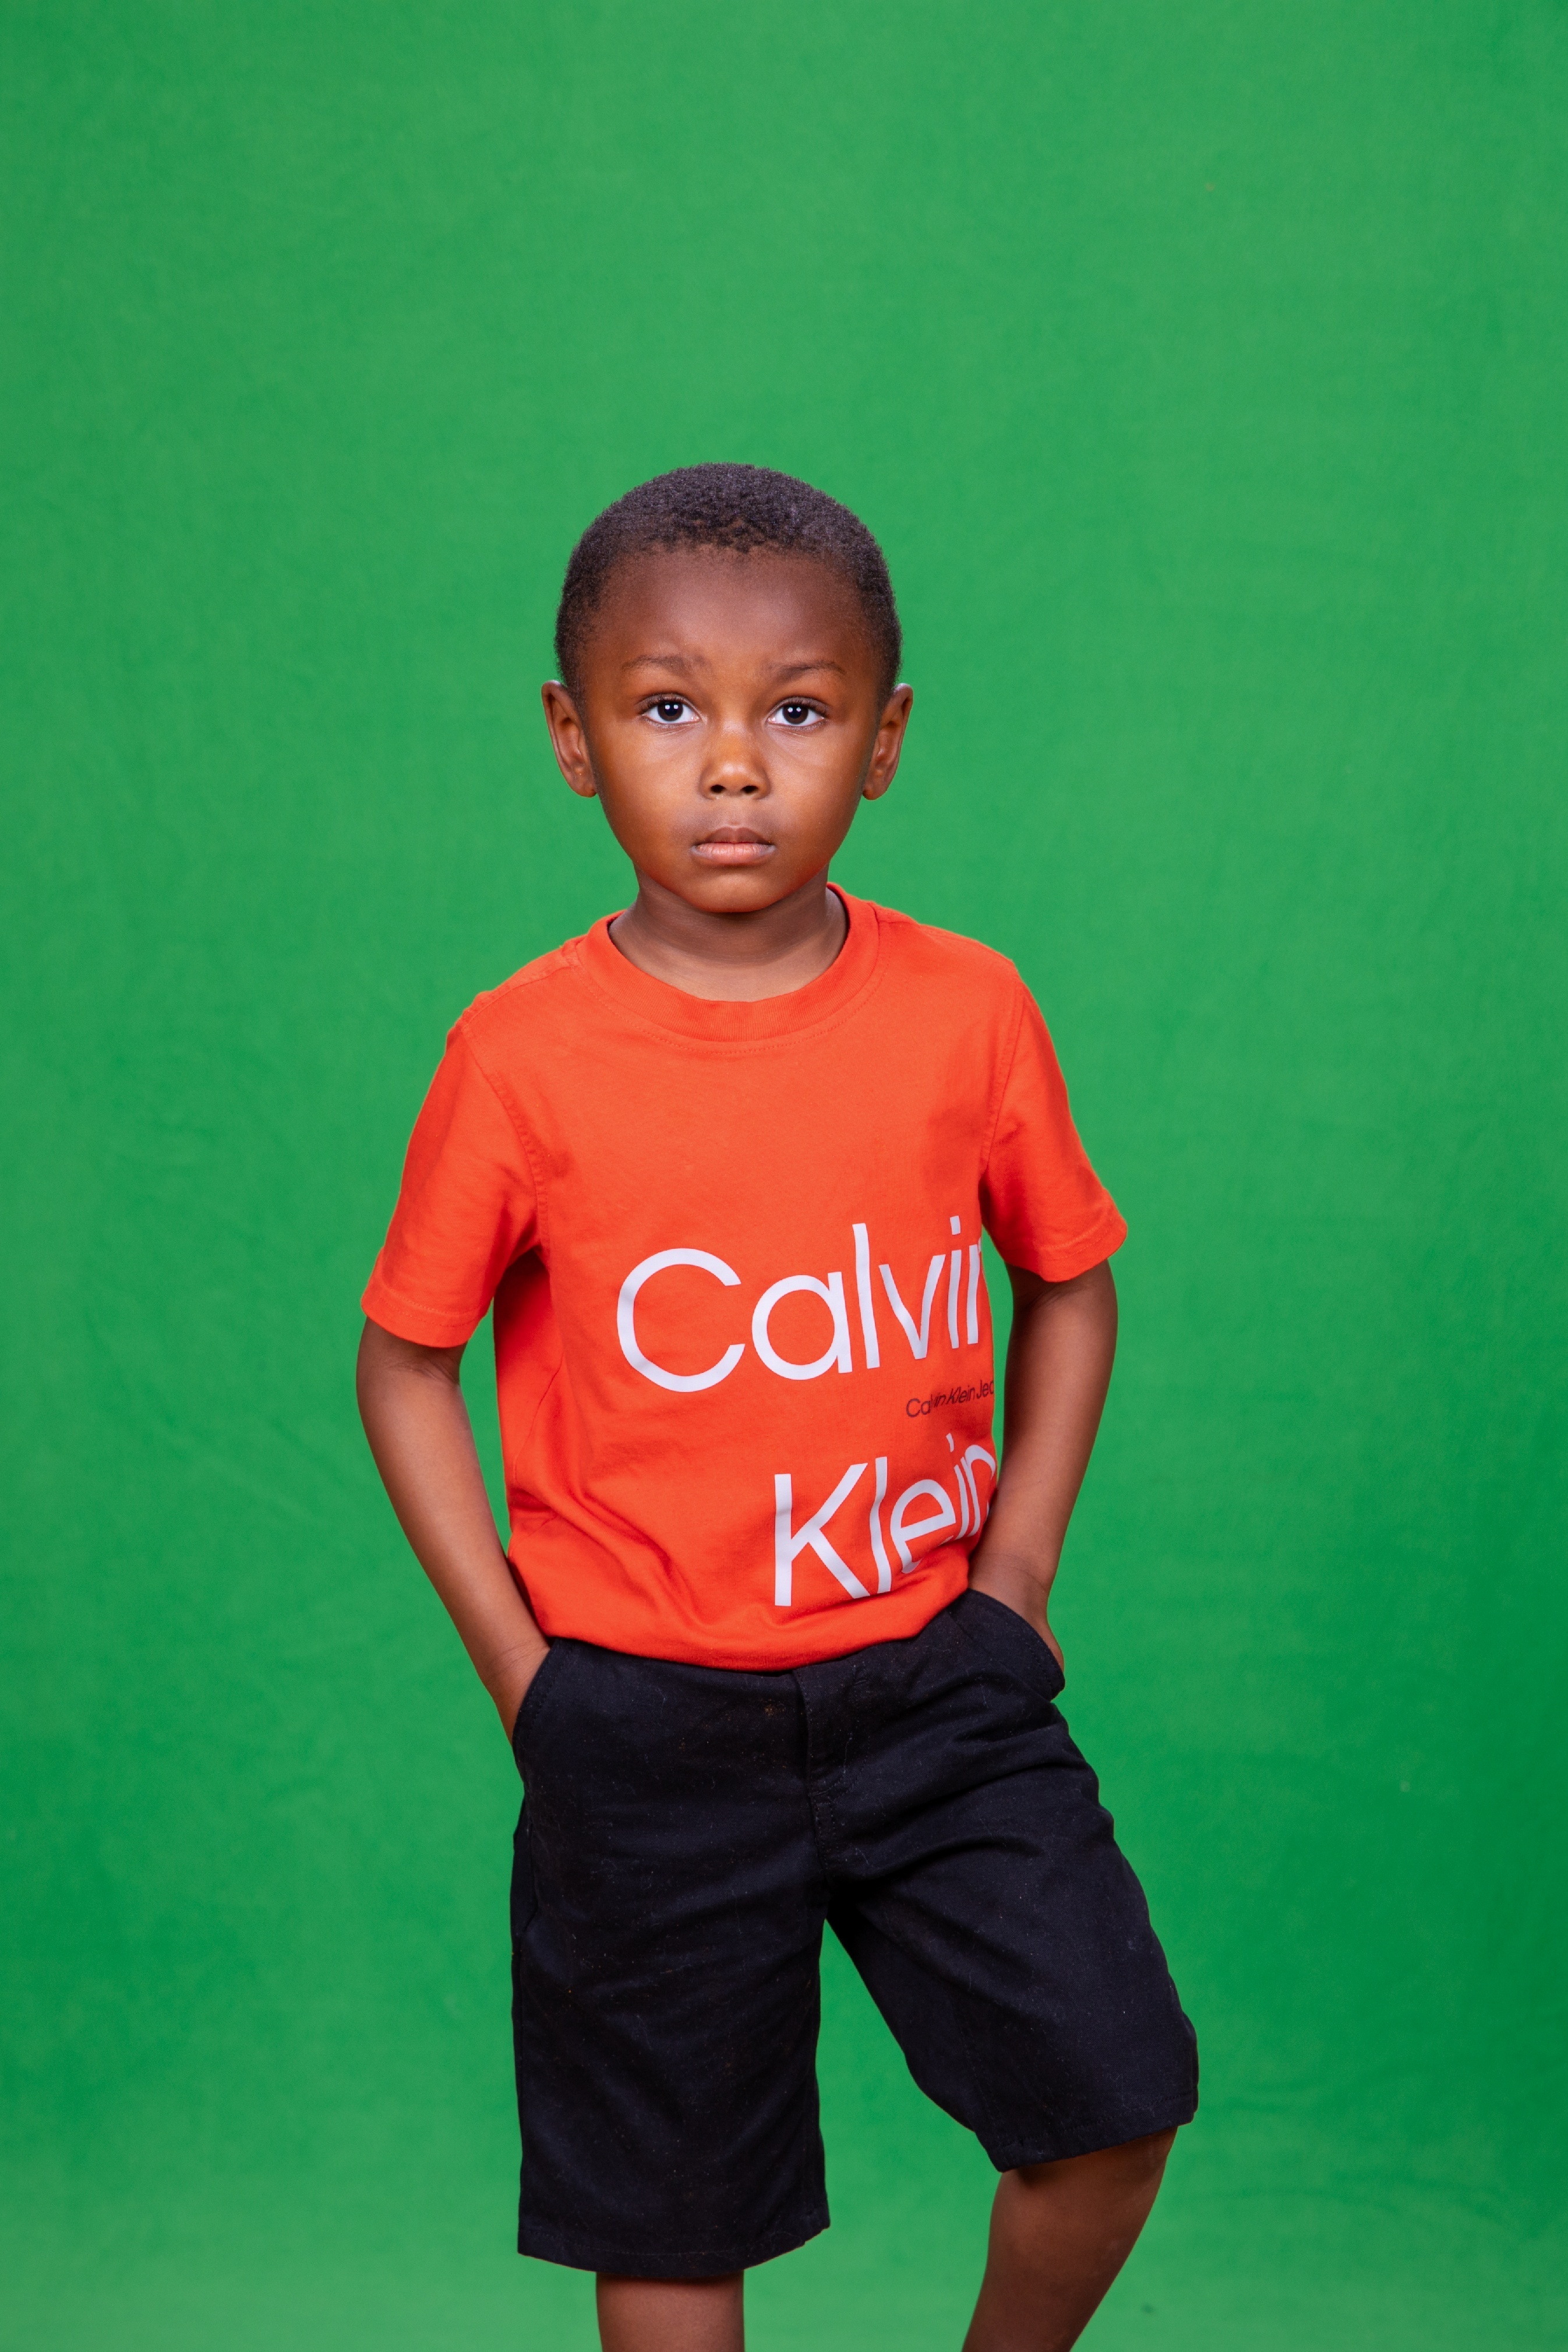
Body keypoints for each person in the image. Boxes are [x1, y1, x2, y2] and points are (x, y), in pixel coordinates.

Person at [356, 464, 1197, 2352]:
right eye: (668, 708)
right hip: (642, 1728)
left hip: (937, 1696)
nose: (732, 765)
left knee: (1111, 2103)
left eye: (797, 712)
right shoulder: (518, 1056)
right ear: (572, 738)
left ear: (881, 742)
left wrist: (1016, 1576)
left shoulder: (967, 1011)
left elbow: (1069, 1279)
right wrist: (524, 1675)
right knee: (671, 2225)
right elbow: (403, 1360)